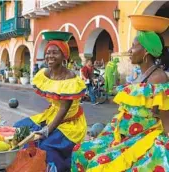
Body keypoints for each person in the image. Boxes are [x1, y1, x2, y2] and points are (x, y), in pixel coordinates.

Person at [71, 17, 169, 172]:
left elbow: (165, 116)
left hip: (141, 137)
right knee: (80, 151)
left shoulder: (158, 78)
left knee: (99, 164)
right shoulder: (139, 75)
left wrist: (164, 144)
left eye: (133, 46)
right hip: (119, 133)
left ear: (146, 52)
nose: (129, 51)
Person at [13, 31, 87, 172]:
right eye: (48, 52)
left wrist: (45, 131)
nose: (50, 56)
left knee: (44, 145)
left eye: (55, 53)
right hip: (50, 115)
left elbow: (63, 110)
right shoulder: (45, 73)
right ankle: (27, 164)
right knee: (19, 128)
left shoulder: (69, 78)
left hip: (69, 123)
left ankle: (55, 168)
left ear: (64, 56)